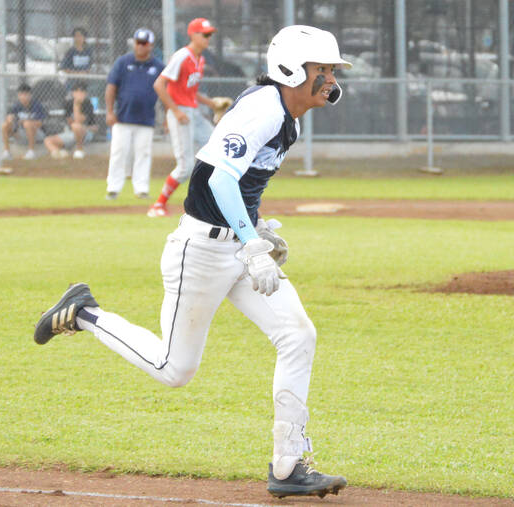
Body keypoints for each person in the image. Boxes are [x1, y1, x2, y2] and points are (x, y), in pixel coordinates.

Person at [32, 25, 352, 499]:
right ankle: (84, 313)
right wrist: (249, 241)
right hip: (200, 252)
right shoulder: (265, 107)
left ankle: (287, 466)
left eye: (331, 70)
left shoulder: (290, 117)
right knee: (174, 369)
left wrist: (256, 228)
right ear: (289, 69)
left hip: (237, 248)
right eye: (320, 69)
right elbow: (215, 181)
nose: (328, 78)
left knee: (298, 335)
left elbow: (239, 187)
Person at [147, 18, 220, 217]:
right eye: (205, 34)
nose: (208, 38)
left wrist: (211, 103)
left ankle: (209, 200)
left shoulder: (200, 59)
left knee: (218, 148)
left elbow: (191, 91)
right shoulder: (182, 56)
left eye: (209, 35)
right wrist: (175, 111)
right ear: (193, 35)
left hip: (193, 112)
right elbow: (159, 85)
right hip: (180, 113)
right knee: (185, 166)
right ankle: (158, 205)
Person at [104, 28, 164, 200]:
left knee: (143, 154)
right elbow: (111, 87)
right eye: (138, 42)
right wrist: (109, 111)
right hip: (123, 117)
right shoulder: (123, 62)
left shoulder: (158, 66)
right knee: (118, 152)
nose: (140, 46)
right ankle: (113, 188)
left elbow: (166, 91)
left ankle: (141, 188)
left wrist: (167, 117)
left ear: (151, 45)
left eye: (144, 43)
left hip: (146, 119)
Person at [43, 81, 98, 160]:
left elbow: (78, 121)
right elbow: (70, 122)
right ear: (73, 93)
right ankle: (60, 154)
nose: (79, 93)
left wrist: (76, 104)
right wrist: (75, 103)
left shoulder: (88, 104)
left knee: (76, 126)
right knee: (47, 140)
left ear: (85, 93)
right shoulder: (68, 103)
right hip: (71, 133)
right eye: (76, 91)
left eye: (82, 91)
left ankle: (79, 150)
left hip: (86, 133)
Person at [0, 83, 46, 161]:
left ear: (30, 95)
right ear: (18, 95)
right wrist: (11, 122)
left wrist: (24, 122)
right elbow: (10, 119)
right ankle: (7, 152)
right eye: (21, 94)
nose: (23, 97)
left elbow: (40, 123)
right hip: (20, 134)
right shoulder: (16, 106)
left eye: (26, 94)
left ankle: (31, 151)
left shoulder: (37, 105)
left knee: (27, 124)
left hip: (37, 134)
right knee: (4, 125)